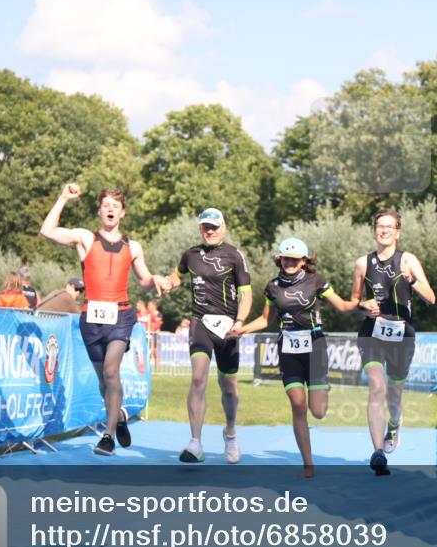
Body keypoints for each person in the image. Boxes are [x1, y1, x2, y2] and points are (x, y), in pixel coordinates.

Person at [41, 183, 168, 456]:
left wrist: (155, 280)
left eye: (116, 206)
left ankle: (107, 436)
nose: (110, 209)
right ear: (99, 211)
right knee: (104, 382)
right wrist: (63, 198)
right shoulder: (86, 238)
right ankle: (118, 415)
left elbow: (144, 280)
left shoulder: (132, 246)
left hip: (121, 316)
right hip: (92, 318)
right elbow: (47, 231)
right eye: (106, 205)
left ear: (122, 213)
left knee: (112, 371)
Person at [232, 238, 358, 477]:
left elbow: (342, 306)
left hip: (315, 347)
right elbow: (264, 319)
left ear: (303, 261)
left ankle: (321, 388)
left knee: (318, 411)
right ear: (280, 259)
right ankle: (308, 463)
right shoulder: (272, 287)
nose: (289, 262)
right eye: (285, 258)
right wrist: (241, 329)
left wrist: (361, 303)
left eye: (294, 259)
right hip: (288, 349)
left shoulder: (317, 282)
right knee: (298, 405)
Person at [351, 208, 435, 475]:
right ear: (374, 230)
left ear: (398, 232)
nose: (384, 230)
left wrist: (412, 281)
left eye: (389, 226)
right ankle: (377, 452)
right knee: (377, 385)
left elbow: (431, 298)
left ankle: (395, 424)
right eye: (380, 225)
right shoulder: (362, 264)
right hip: (371, 333)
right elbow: (354, 301)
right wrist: (364, 305)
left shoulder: (408, 260)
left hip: (402, 335)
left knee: (395, 392)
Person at [164, 208, 251, 464]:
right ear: (200, 229)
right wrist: (168, 283)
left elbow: (246, 293)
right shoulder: (190, 255)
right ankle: (196, 442)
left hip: (227, 327)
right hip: (200, 321)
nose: (210, 231)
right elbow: (176, 276)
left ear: (223, 228)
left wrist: (240, 322)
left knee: (229, 386)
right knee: (198, 376)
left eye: (214, 227)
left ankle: (231, 433)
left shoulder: (234, 255)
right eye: (205, 227)